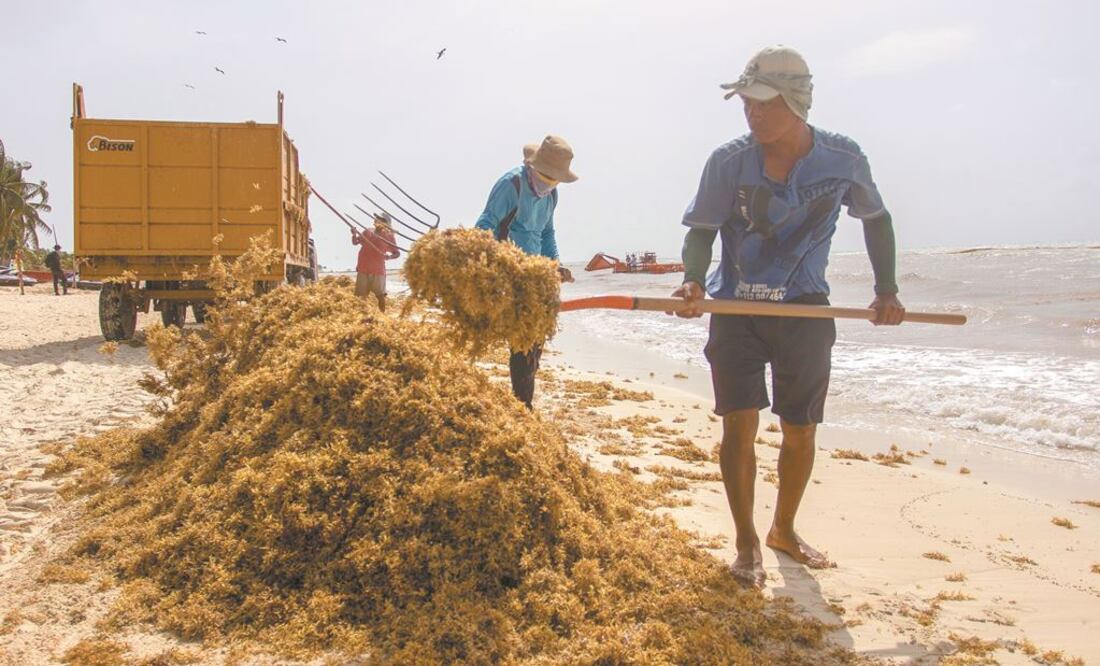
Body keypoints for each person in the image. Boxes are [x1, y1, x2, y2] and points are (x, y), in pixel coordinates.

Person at [670, 45, 905, 588]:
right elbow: (701, 231)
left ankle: (784, 529)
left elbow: (877, 218)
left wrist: (886, 290)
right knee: (739, 425)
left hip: (804, 309)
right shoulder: (728, 161)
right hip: (736, 306)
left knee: (800, 430)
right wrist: (692, 280)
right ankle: (746, 541)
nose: (752, 115)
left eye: (762, 104)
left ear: (796, 102)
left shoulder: (842, 159)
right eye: (745, 105)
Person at [475, 135, 578, 409]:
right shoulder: (512, 184)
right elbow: (486, 224)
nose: (549, 183)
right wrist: (486, 268)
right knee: (522, 341)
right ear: (533, 166)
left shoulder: (550, 196)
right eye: (546, 176)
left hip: (535, 275)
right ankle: (523, 405)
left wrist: (555, 264)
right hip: (508, 270)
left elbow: (546, 233)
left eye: (555, 179)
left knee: (535, 342)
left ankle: (523, 397)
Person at [352, 214, 399, 310]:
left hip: (377, 270)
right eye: (377, 219)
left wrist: (389, 257)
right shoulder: (368, 231)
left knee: (380, 296)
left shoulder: (389, 236)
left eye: (381, 220)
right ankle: (360, 316)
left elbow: (397, 253)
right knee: (361, 296)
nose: (377, 220)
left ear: (386, 224)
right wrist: (354, 234)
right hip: (363, 267)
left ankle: (382, 316)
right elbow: (355, 242)